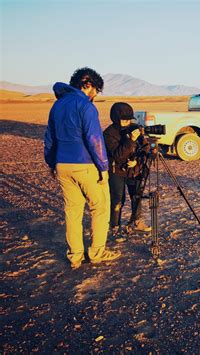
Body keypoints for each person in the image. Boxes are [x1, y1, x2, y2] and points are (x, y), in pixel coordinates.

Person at [44, 67, 121, 269]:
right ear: (87, 84)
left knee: (73, 211)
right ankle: (97, 252)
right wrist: (103, 167)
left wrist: (52, 163)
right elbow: (94, 139)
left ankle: (75, 256)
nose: (95, 95)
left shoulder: (57, 105)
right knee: (100, 207)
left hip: (62, 166)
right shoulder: (85, 106)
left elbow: (50, 139)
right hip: (85, 165)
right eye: (96, 90)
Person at [103, 102, 151, 241]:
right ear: (115, 119)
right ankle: (115, 228)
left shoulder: (135, 128)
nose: (127, 122)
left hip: (134, 170)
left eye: (129, 119)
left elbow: (146, 148)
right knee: (118, 200)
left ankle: (136, 221)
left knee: (137, 195)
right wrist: (130, 140)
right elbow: (118, 155)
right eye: (124, 119)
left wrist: (138, 161)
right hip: (116, 171)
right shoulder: (108, 134)